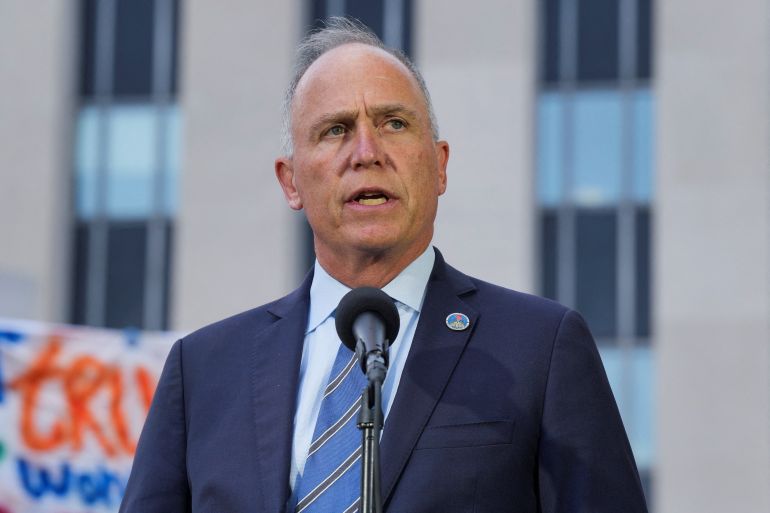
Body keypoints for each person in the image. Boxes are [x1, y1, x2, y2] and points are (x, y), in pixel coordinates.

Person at [120, 18, 648, 513]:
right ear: (290, 182)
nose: (366, 152)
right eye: (334, 130)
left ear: (439, 165)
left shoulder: (541, 349)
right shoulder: (204, 370)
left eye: (394, 123)